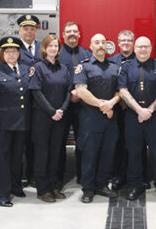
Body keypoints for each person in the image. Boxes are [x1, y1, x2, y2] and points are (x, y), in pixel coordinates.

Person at [118, 37, 156, 200]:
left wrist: (149, 110)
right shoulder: (126, 67)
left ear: (151, 48)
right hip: (133, 116)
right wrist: (139, 110)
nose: (143, 49)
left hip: (154, 116)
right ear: (134, 48)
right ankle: (135, 185)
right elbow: (123, 91)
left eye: (146, 47)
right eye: (140, 46)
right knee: (134, 153)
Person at [0, 36, 31, 207]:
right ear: (2, 54)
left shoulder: (25, 69)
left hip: (21, 122)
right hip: (1, 124)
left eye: (14, 51)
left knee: (17, 157)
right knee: (0, 160)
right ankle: (0, 195)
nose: (11, 54)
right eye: (8, 52)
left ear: (19, 53)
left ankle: (15, 187)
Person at [75, 33, 121, 203]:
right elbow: (81, 90)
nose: (101, 45)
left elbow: (120, 91)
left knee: (107, 153)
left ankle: (102, 185)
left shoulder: (115, 67)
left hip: (110, 118)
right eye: (97, 42)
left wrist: (111, 103)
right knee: (89, 154)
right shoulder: (84, 67)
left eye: (103, 42)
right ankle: (88, 189)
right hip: (90, 118)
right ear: (91, 46)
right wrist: (101, 105)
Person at [29, 34, 72, 203]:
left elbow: (69, 90)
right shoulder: (38, 67)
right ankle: (43, 189)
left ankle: (55, 186)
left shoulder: (63, 68)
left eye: (56, 46)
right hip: (42, 117)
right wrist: (51, 111)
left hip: (60, 117)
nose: (53, 49)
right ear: (44, 48)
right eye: (50, 46)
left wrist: (62, 109)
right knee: (42, 153)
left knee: (56, 152)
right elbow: (36, 92)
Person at [58, 22, 91, 185]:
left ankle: (82, 175)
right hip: (62, 106)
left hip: (83, 106)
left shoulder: (87, 54)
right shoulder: (56, 53)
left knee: (83, 142)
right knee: (58, 142)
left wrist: (80, 93)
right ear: (63, 34)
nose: (72, 34)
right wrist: (69, 94)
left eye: (75, 31)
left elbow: (92, 77)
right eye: (69, 31)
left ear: (79, 34)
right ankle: (58, 177)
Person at [108, 29, 135, 190]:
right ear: (118, 43)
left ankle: (138, 176)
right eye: (123, 40)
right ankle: (117, 175)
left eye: (129, 40)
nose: (126, 43)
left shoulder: (140, 59)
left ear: (133, 43)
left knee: (134, 144)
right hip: (117, 109)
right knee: (117, 143)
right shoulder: (111, 62)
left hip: (134, 109)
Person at [16, 14, 40, 188]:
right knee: (20, 142)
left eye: (32, 29)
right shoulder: (14, 48)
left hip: (37, 102)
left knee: (34, 142)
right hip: (20, 101)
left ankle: (33, 174)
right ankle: (20, 176)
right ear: (20, 30)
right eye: (26, 29)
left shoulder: (42, 47)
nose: (29, 32)